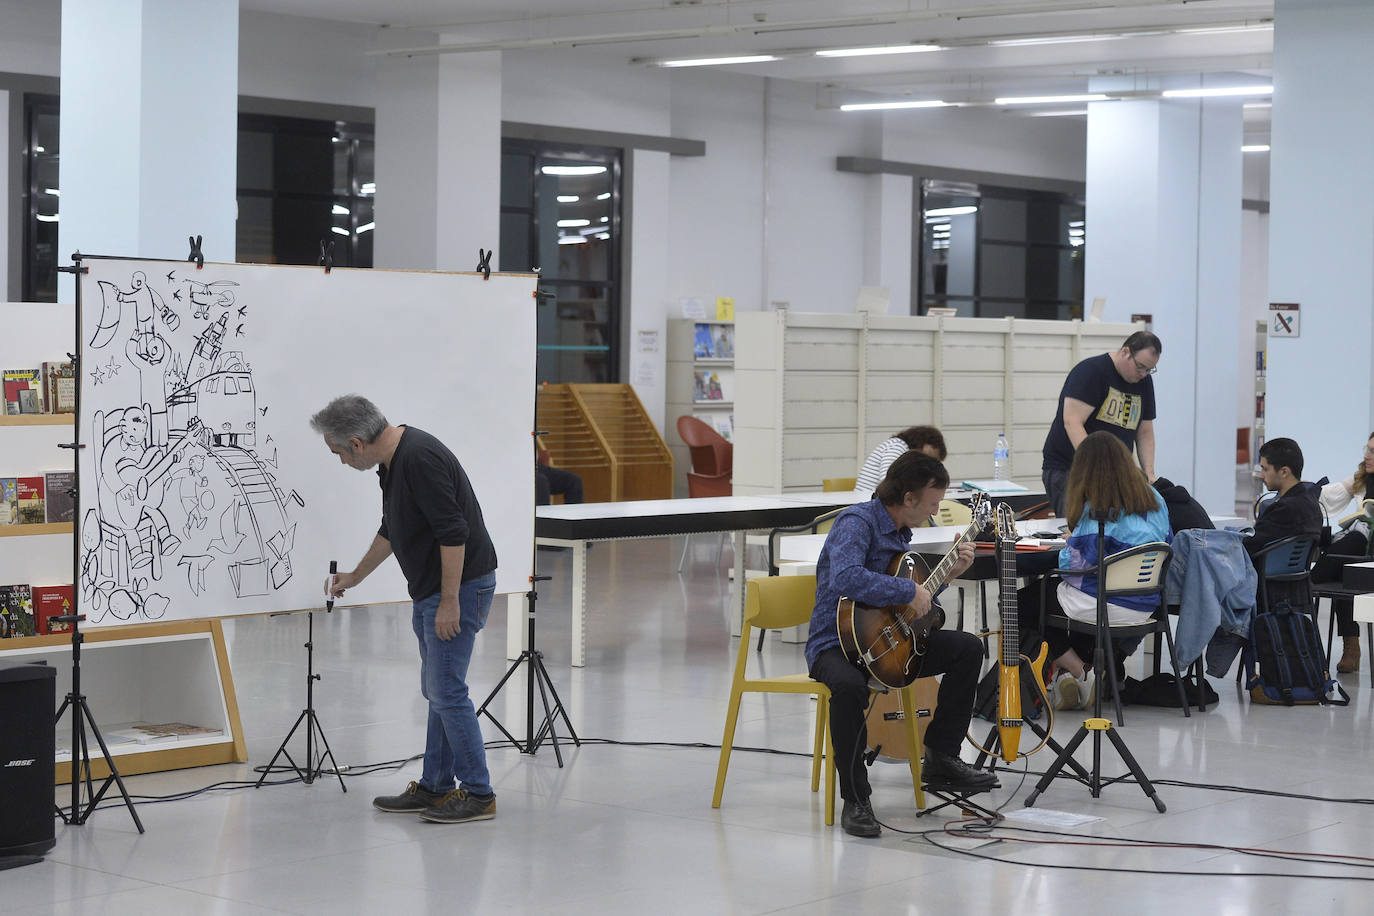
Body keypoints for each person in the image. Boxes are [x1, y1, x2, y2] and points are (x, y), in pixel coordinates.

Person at [311, 395, 499, 825]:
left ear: (356, 443)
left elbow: (455, 533)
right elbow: (393, 528)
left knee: (448, 691)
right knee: (438, 691)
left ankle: (479, 794)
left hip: (458, 587)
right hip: (436, 589)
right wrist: (356, 576)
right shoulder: (393, 463)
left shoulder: (420, 459)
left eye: (337, 453)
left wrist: (450, 602)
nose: (340, 462)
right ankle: (435, 786)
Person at [807, 450, 996, 839]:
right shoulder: (856, 523)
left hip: (892, 645)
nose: (934, 511)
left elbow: (909, 603)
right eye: (932, 502)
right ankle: (856, 799)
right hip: (836, 644)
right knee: (847, 686)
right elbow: (845, 578)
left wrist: (950, 574)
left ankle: (941, 756)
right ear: (908, 498)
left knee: (967, 649)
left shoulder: (902, 535)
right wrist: (906, 588)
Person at [1021, 432, 1172, 710]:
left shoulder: (1099, 508)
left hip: (1106, 603)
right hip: (1145, 605)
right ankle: (1069, 675)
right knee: (1057, 599)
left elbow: (1073, 567)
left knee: (1022, 603)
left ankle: (1081, 671)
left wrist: (1069, 542)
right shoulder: (1155, 499)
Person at [1041, 331, 1161, 517]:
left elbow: (1144, 431)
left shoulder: (1144, 383)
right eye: (1140, 367)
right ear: (1125, 352)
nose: (1143, 374)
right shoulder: (1091, 372)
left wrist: (1149, 474)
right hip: (1071, 469)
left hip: (1114, 474)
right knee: (1079, 531)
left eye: (1149, 370)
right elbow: (1072, 422)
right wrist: (1096, 468)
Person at [1313, 432, 1374, 672]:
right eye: (1367, 449)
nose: (1367, 455)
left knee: (1356, 539)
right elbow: (1328, 496)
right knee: (1345, 566)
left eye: (1373, 451)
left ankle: (1308, 582)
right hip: (1359, 557)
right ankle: (1351, 646)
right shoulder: (1362, 479)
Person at [1244, 437, 1323, 615]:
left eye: (1265, 469)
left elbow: (1249, 547)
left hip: (1264, 593)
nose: (1261, 475)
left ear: (1284, 472)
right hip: (1294, 592)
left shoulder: (1284, 509)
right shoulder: (1312, 505)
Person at [853, 425, 947, 494]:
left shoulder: (899, 447)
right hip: (869, 501)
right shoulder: (897, 447)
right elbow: (889, 481)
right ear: (926, 442)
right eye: (931, 457)